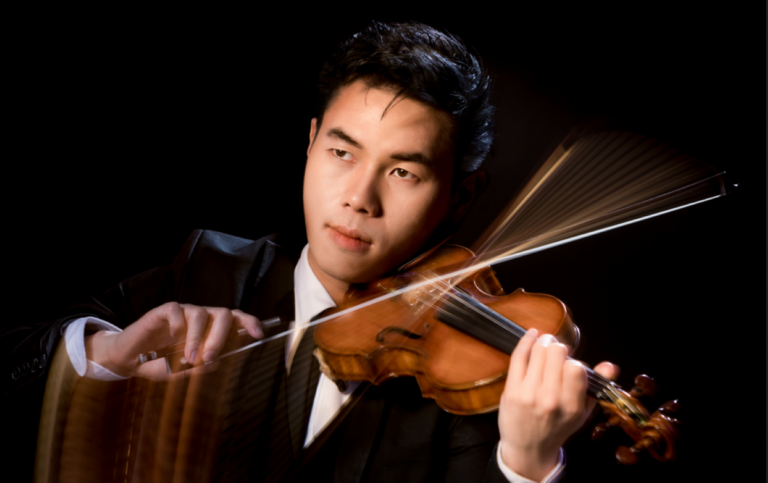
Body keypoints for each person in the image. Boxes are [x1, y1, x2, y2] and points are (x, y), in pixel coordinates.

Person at [4, 21, 615, 482]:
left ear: (461, 197)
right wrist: (103, 355)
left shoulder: (475, 388)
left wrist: (527, 464)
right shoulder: (206, 270)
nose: (358, 198)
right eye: (342, 153)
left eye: (403, 172)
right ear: (311, 141)